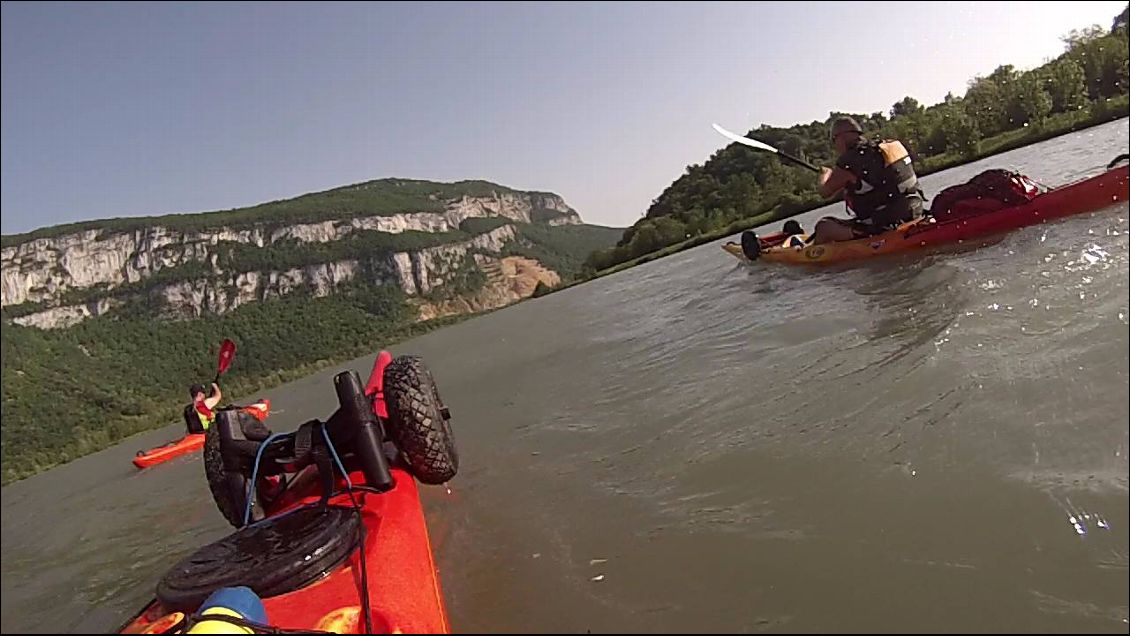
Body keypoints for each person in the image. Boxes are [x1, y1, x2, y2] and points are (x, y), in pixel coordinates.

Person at [810, 116, 925, 243]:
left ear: (841, 137)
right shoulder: (888, 147)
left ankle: (818, 256)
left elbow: (824, 192)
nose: (835, 146)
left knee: (824, 227)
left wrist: (825, 174)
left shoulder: (849, 160)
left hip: (884, 226)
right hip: (914, 212)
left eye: (834, 140)